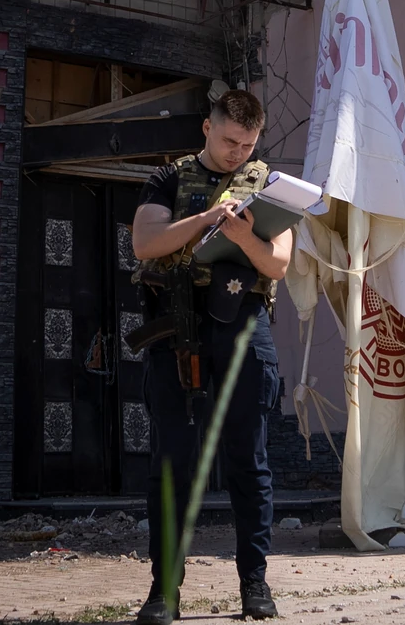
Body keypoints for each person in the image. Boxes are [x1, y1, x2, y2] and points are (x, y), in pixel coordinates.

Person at [132, 89, 292, 624]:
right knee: (172, 461)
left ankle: (255, 585)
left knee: (249, 461)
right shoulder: (169, 177)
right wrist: (206, 219)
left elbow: (278, 265)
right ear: (207, 127)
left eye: (247, 144)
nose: (237, 153)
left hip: (244, 326)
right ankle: (164, 591)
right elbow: (145, 242)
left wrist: (243, 237)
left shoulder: (268, 184)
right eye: (229, 141)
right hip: (181, 327)